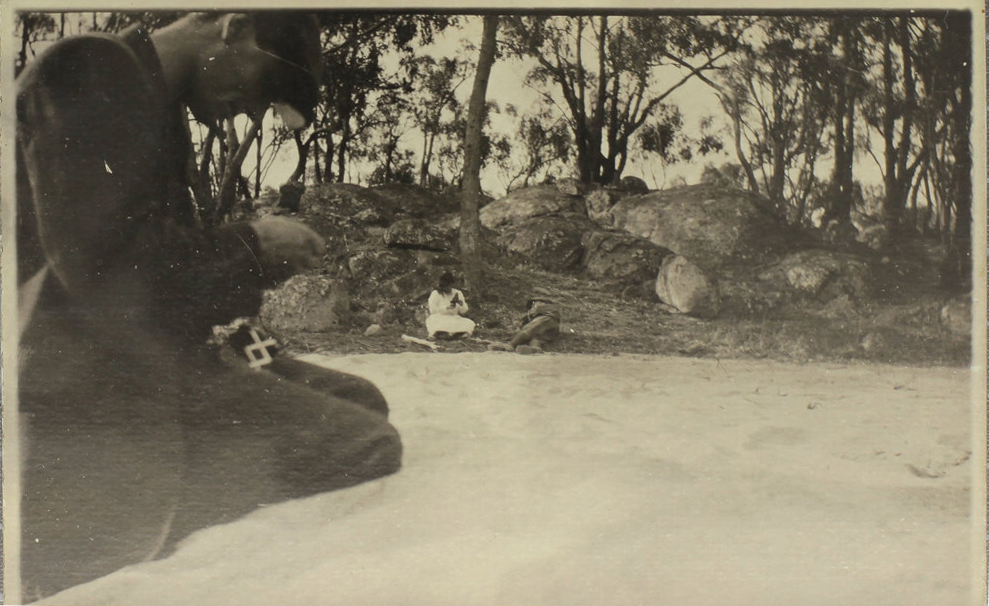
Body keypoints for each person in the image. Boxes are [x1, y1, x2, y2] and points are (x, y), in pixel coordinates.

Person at [15, 12, 401, 599]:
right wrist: (253, 245)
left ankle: (198, 454)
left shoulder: (157, 103)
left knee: (361, 400)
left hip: (148, 346)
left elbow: (168, 270)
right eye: (264, 85)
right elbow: (99, 272)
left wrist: (247, 335)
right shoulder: (90, 66)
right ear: (234, 28)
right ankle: (164, 500)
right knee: (366, 442)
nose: (252, 111)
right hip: (91, 366)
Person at [425, 272, 476, 339]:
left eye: (449, 285)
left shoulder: (458, 293)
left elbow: (464, 311)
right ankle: (446, 334)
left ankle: (453, 334)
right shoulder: (436, 294)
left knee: (469, 323)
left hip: (453, 318)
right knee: (434, 322)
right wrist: (446, 308)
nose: (447, 288)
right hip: (439, 317)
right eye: (445, 286)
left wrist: (461, 304)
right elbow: (432, 310)